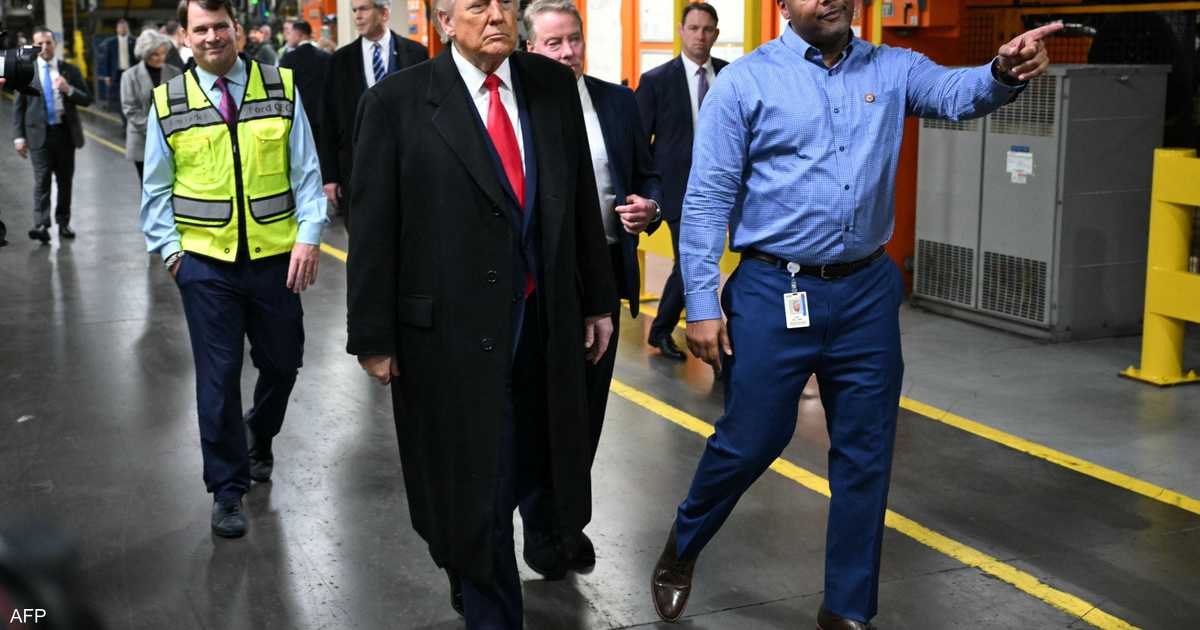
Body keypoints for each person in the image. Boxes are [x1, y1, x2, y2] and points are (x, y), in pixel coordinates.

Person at [648, 2, 1061, 628]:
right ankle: (684, 543)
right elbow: (707, 198)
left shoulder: (893, 68)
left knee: (865, 453)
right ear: (784, 5)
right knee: (751, 439)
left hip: (865, 291)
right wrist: (702, 303)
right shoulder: (746, 82)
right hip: (774, 288)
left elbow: (958, 93)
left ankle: (846, 608)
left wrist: (1002, 71)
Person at [346, 0, 617, 625]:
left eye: (505, 2)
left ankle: (484, 557)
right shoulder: (396, 104)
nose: (496, 15)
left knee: (537, 463)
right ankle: (483, 590)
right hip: (447, 337)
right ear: (444, 21)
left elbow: (578, 198)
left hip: (542, 325)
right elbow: (374, 227)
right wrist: (373, 336)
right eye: (477, 5)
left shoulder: (551, 86)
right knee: (473, 485)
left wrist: (596, 299)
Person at [139, 0, 327, 539]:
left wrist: (309, 236)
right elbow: (155, 189)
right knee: (217, 379)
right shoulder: (168, 101)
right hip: (205, 266)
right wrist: (173, 255)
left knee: (283, 363)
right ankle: (227, 488)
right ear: (184, 36)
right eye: (200, 29)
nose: (212, 37)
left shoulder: (280, 88)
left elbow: (306, 171)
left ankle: (258, 434)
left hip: (274, 260)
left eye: (221, 26)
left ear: (237, 30)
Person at [520, 0, 662, 578]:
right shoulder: (521, 106)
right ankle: (541, 526)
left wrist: (650, 207)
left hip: (604, 271)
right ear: (530, 48)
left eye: (573, 40)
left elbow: (647, 173)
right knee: (541, 410)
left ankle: (568, 520)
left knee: (588, 409)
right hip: (544, 280)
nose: (567, 52)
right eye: (553, 43)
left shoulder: (617, 102)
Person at [635, 2, 727, 362]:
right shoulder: (656, 81)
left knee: (714, 262)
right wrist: (648, 190)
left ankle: (715, 332)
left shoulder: (730, 75)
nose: (700, 36)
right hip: (678, 189)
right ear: (681, 31)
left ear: (716, 34)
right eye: (693, 28)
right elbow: (638, 142)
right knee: (690, 261)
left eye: (707, 30)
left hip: (725, 188)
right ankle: (662, 330)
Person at [319, 0, 427, 227]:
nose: (357, 16)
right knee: (362, 236)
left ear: (384, 13)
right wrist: (330, 177)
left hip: (409, 169)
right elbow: (328, 121)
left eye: (364, 9)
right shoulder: (340, 61)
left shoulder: (416, 54)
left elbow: (428, 113)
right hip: (356, 171)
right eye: (354, 10)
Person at [12, 27, 92, 244]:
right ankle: (41, 224)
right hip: (38, 135)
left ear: (55, 44)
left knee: (65, 181)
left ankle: (63, 222)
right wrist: (19, 137)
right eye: (40, 43)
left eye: (48, 43)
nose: (44, 47)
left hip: (64, 135)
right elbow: (19, 107)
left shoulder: (69, 70)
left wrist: (68, 89)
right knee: (42, 180)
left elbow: (87, 99)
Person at [122, 30, 182, 180]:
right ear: (145, 54)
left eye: (163, 53)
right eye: (155, 54)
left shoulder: (175, 73)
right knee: (148, 185)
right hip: (142, 140)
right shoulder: (130, 76)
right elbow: (130, 109)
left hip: (171, 139)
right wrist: (156, 129)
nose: (161, 58)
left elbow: (181, 104)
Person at [279, 20, 330, 152]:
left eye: (291, 33)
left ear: (299, 34)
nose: (288, 37)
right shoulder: (325, 57)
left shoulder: (288, 58)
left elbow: (283, 88)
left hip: (298, 116)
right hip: (322, 116)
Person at [99, 19, 136, 116]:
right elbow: (106, 60)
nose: (123, 29)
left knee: (131, 94)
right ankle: (122, 114)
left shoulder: (134, 41)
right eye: (121, 27)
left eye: (125, 27)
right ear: (117, 29)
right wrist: (107, 76)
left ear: (128, 28)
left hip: (131, 72)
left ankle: (130, 112)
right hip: (117, 73)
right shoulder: (111, 42)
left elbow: (137, 59)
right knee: (119, 96)